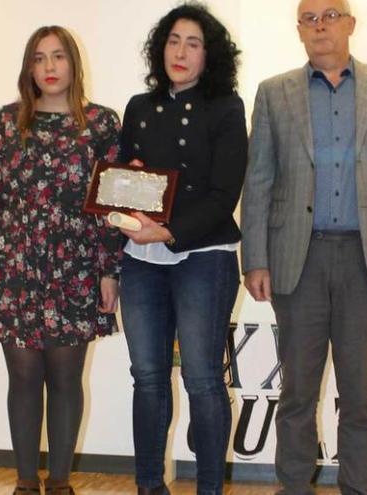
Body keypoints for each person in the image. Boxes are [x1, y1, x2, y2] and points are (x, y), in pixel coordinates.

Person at [240, 0, 367, 493]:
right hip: (296, 262)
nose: (320, 26)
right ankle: (295, 487)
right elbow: (258, 180)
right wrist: (255, 258)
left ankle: (359, 487)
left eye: (330, 15)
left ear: (350, 24)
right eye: (310, 18)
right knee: (298, 392)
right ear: (299, 30)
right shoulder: (274, 93)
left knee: (361, 394)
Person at [0, 25, 122, 495]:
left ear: (74, 63)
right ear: (28, 67)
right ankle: (26, 483)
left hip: (75, 268)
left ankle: (59, 484)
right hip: (16, 266)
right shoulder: (8, 121)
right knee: (24, 377)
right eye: (39, 58)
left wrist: (109, 269)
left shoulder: (101, 124)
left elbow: (112, 204)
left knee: (66, 377)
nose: (49, 67)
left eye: (58, 57)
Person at [116, 4, 247, 494]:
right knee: (147, 377)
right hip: (141, 262)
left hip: (203, 257)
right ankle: (150, 486)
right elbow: (124, 186)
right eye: (174, 40)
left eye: (193, 43)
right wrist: (129, 217)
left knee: (202, 378)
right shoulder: (139, 107)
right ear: (160, 47)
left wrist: (168, 232)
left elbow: (222, 196)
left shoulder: (227, 108)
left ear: (208, 55)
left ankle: (210, 489)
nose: (181, 51)